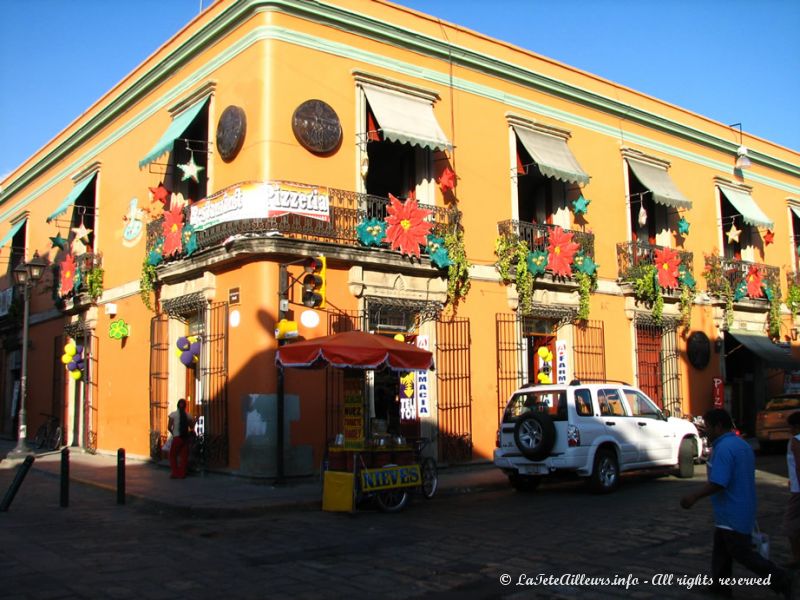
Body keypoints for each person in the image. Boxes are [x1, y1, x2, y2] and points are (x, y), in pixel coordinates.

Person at [680, 408, 791, 598]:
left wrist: (694, 497)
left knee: (741, 552)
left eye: (708, 427)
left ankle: (779, 578)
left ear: (718, 426)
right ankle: (720, 586)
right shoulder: (741, 445)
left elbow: (719, 482)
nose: (705, 431)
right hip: (738, 506)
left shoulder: (724, 448)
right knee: (722, 548)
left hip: (732, 509)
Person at [785, 411, 800, 568]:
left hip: (798, 490)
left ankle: (797, 557)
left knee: (790, 523)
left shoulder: (796, 441)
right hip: (796, 485)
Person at [167, 398, 194, 479]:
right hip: (185, 438)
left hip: (177, 438)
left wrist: (174, 434)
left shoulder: (173, 414)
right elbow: (191, 426)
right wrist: (194, 421)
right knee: (184, 457)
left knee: (172, 455)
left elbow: (169, 427)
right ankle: (182, 474)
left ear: (177, 405)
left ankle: (175, 473)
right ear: (185, 406)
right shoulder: (188, 415)